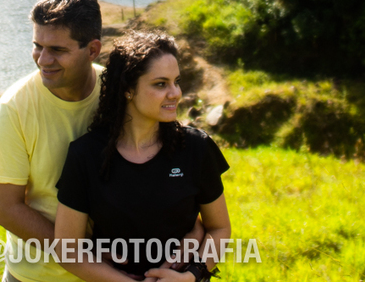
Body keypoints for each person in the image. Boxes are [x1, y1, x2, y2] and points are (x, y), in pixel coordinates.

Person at [54, 31, 232, 282]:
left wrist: (192, 275)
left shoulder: (195, 147)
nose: (175, 93)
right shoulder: (86, 155)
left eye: (176, 81)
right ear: (128, 89)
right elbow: (67, 251)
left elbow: (219, 228)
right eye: (160, 84)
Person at [0, 0, 105, 282]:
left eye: (58, 50)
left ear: (93, 50)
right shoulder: (15, 108)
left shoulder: (118, 91)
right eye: (38, 45)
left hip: (116, 270)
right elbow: (8, 210)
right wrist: (84, 256)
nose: (43, 60)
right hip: (37, 276)